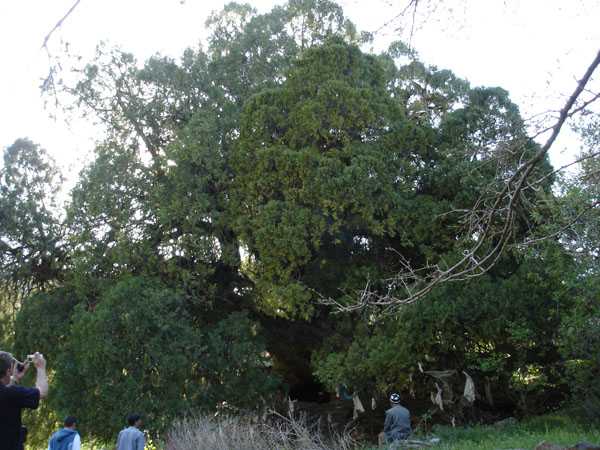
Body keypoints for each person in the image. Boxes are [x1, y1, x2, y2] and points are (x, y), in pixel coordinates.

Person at [0, 351, 48, 450]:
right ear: (7, 372)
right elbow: (42, 391)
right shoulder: (13, 394)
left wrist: (15, 379)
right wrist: (41, 368)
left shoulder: (9, 393)